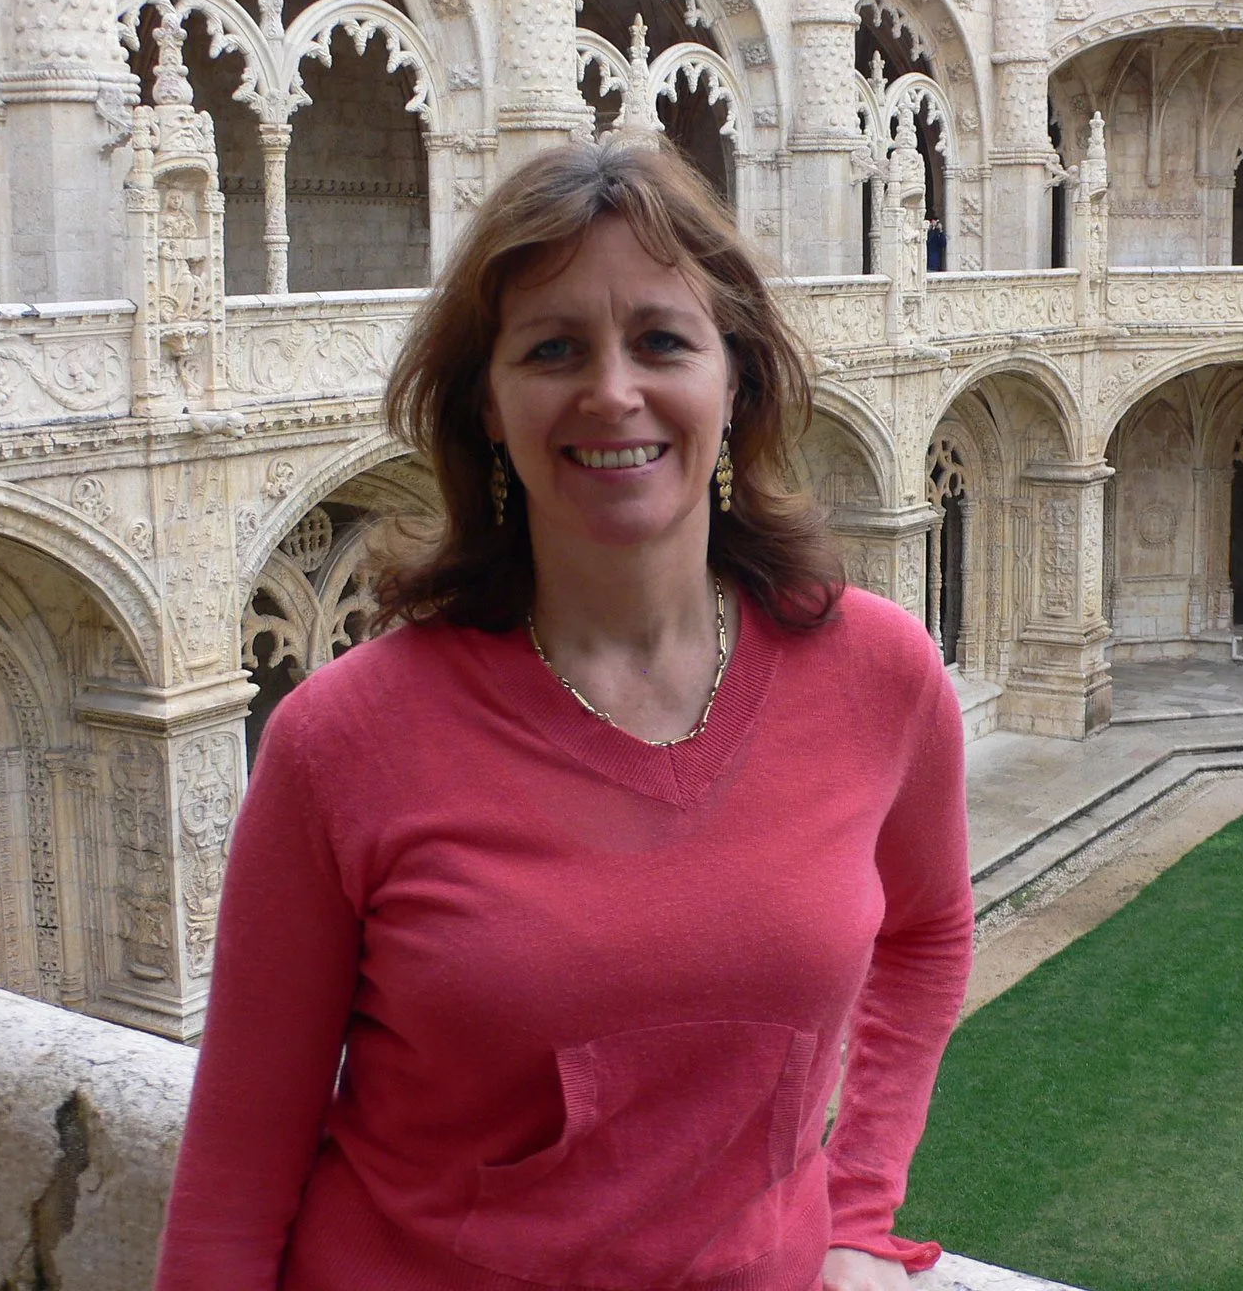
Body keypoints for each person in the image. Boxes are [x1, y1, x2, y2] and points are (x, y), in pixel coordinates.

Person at [156, 141, 974, 1291]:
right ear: (488, 406)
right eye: (551, 349)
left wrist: (856, 1207)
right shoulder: (344, 741)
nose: (611, 392)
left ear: (733, 381)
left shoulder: (876, 673)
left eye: (660, 341)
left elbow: (929, 932)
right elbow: (238, 1170)